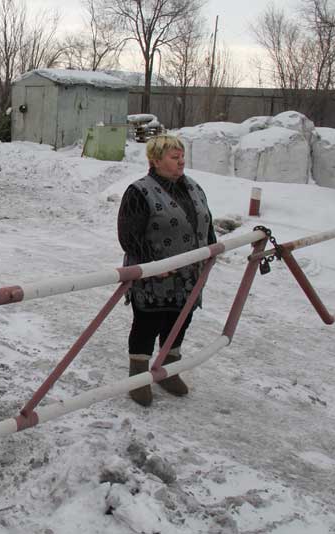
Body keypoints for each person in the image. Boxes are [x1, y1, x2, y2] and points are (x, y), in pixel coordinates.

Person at [117, 134, 216, 406]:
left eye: (182, 156)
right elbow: (129, 235)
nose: (181, 161)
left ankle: (167, 371)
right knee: (147, 324)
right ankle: (138, 378)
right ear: (156, 160)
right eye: (175, 157)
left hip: (189, 277)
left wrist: (211, 250)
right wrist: (152, 265)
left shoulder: (193, 187)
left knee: (179, 322)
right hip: (154, 278)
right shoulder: (138, 191)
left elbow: (206, 221)